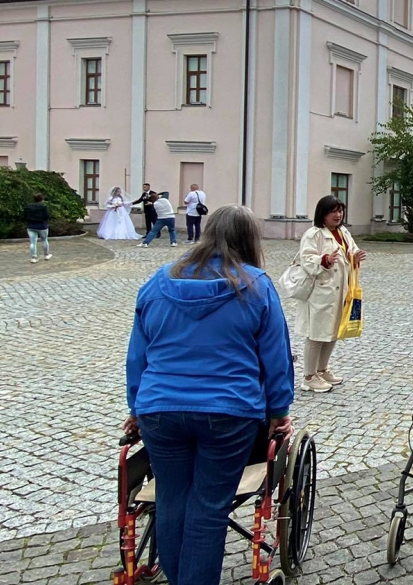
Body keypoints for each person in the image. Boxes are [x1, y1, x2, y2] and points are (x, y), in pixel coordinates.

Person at [122, 205, 294, 585]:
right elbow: (275, 356)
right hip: (229, 410)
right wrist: (279, 410)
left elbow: (138, 354)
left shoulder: (158, 282)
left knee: (171, 500)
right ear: (249, 239)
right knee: (208, 507)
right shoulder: (256, 285)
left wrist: (136, 407)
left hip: (160, 409)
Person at [294, 196, 367, 392]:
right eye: (333, 211)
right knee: (316, 334)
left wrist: (354, 257)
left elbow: (349, 253)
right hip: (320, 292)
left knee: (332, 331)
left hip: (340, 291)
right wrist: (325, 260)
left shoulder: (343, 232)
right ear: (322, 214)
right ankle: (309, 376)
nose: (338, 215)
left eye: (340, 210)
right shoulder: (314, 234)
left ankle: (322, 369)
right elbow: (307, 260)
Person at [23, 193, 52, 264]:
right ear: (42, 199)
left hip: (31, 226)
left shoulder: (28, 206)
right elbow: (47, 216)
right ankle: (46, 255)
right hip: (42, 226)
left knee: (33, 242)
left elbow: (24, 216)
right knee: (44, 240)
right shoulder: (43, 206)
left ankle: (33, 257)